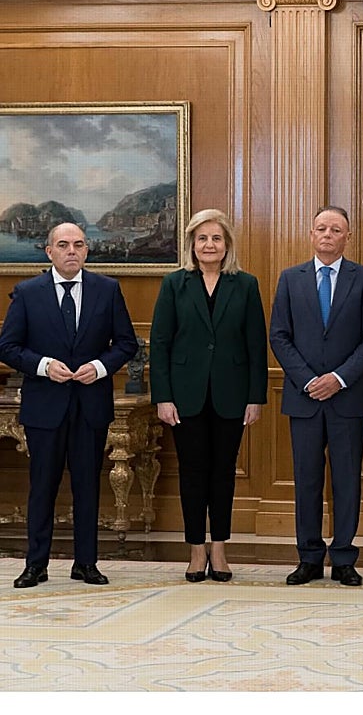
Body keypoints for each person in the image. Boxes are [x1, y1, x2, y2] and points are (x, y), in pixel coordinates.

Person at [1, 223, 137, 589]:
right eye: (63, 245)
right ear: (49, 252)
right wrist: (44, 366)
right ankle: (36, 564)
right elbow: (8, 347)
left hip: (90, 405)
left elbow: (126, 343)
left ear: (87, 250)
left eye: (78, 244)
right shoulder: (28, 293)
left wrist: (100, 366)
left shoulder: (107, 290)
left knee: (87, 485)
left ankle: (86, 563)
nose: (71, 251)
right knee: (42, 485)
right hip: (45, 406)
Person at [150, 209, 267, 582]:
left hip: (232, 396)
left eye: (216, 238)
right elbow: (161, 344)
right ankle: (195, 549)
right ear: (192, 244)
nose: (209, 245)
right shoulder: (174, 284)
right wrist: (163, 397)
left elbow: (255, 346)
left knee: (223, 474)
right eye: (202, 238)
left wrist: (256, 397)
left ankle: (219, 546)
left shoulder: (245, 284)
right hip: (185, 396)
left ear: (227, 244)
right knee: (192, 472)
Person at [270, 206, 363, 587]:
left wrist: (337, 378)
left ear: (347, 237)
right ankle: (309, 557)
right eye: (321, 228)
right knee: (306, 480)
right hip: (304, 399)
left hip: (348, 397)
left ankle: (345, 558)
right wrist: (308, 381)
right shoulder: (290, 279)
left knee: (347, 480)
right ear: (311, 233)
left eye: (336, 230)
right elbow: (279, 336)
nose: (328, 235)